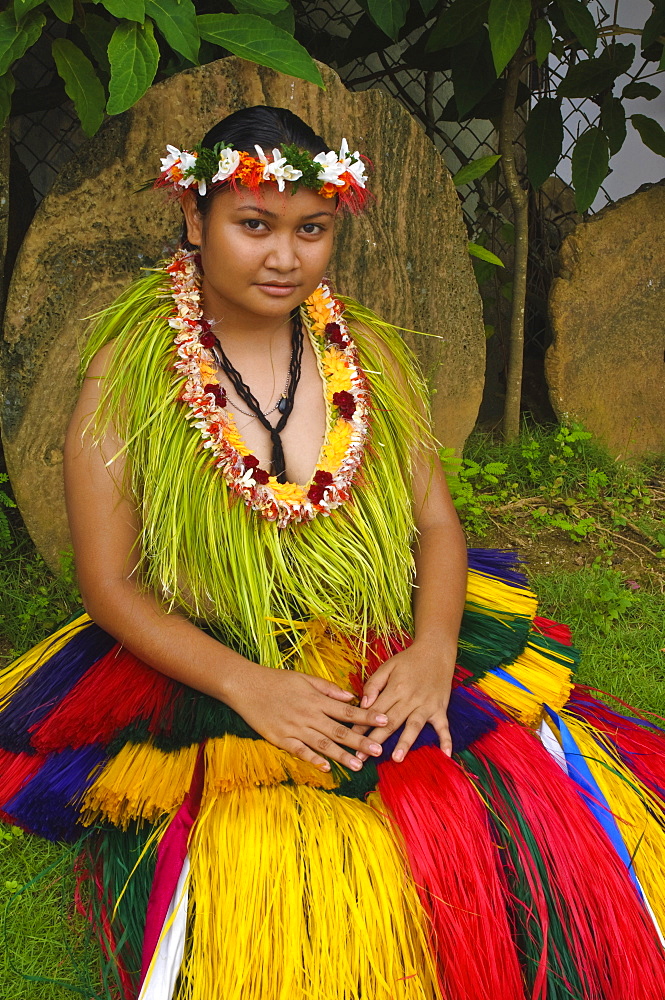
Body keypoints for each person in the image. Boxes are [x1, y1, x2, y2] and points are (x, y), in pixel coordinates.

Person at [0, 105, 664, 1000]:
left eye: (311, 229)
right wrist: (249, 685)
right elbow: (108, 582)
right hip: (218, 650)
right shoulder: (129, 373)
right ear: (194, 220)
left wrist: (432, 652)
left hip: (370, 628)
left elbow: (434, 525)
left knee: (504, 788)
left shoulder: (366, 356)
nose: (285, 257)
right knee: (288, 849)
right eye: (253, 225)